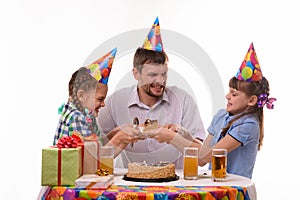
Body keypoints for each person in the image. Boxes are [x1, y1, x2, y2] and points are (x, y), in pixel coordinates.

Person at [98, 17, 206, 168]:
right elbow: (97, 151)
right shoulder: (115, 101)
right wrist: (119, 136)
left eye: (163, 74)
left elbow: (202, 159)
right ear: (136, 74)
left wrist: (172, 137)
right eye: (152, 75)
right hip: (130, 184)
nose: (160, 81)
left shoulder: (183, 100)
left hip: (176, 185)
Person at [198, 43, 276, 179]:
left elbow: (209, 156)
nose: (227, 96)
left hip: (234, 190)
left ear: (251, 101)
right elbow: (200, 160)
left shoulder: (249, 125)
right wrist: (183, 134)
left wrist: (172, 137)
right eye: (229, 92)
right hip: (214, 186)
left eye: (234, 94)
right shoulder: (221, 116)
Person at [53, 48, 137, 156]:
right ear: (81, 96)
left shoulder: (86, 115)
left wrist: (115, 132)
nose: (103, 104)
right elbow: (93, 160)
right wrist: (120, 138)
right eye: (100, 99)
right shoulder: (76, 118)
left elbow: (95, 145)